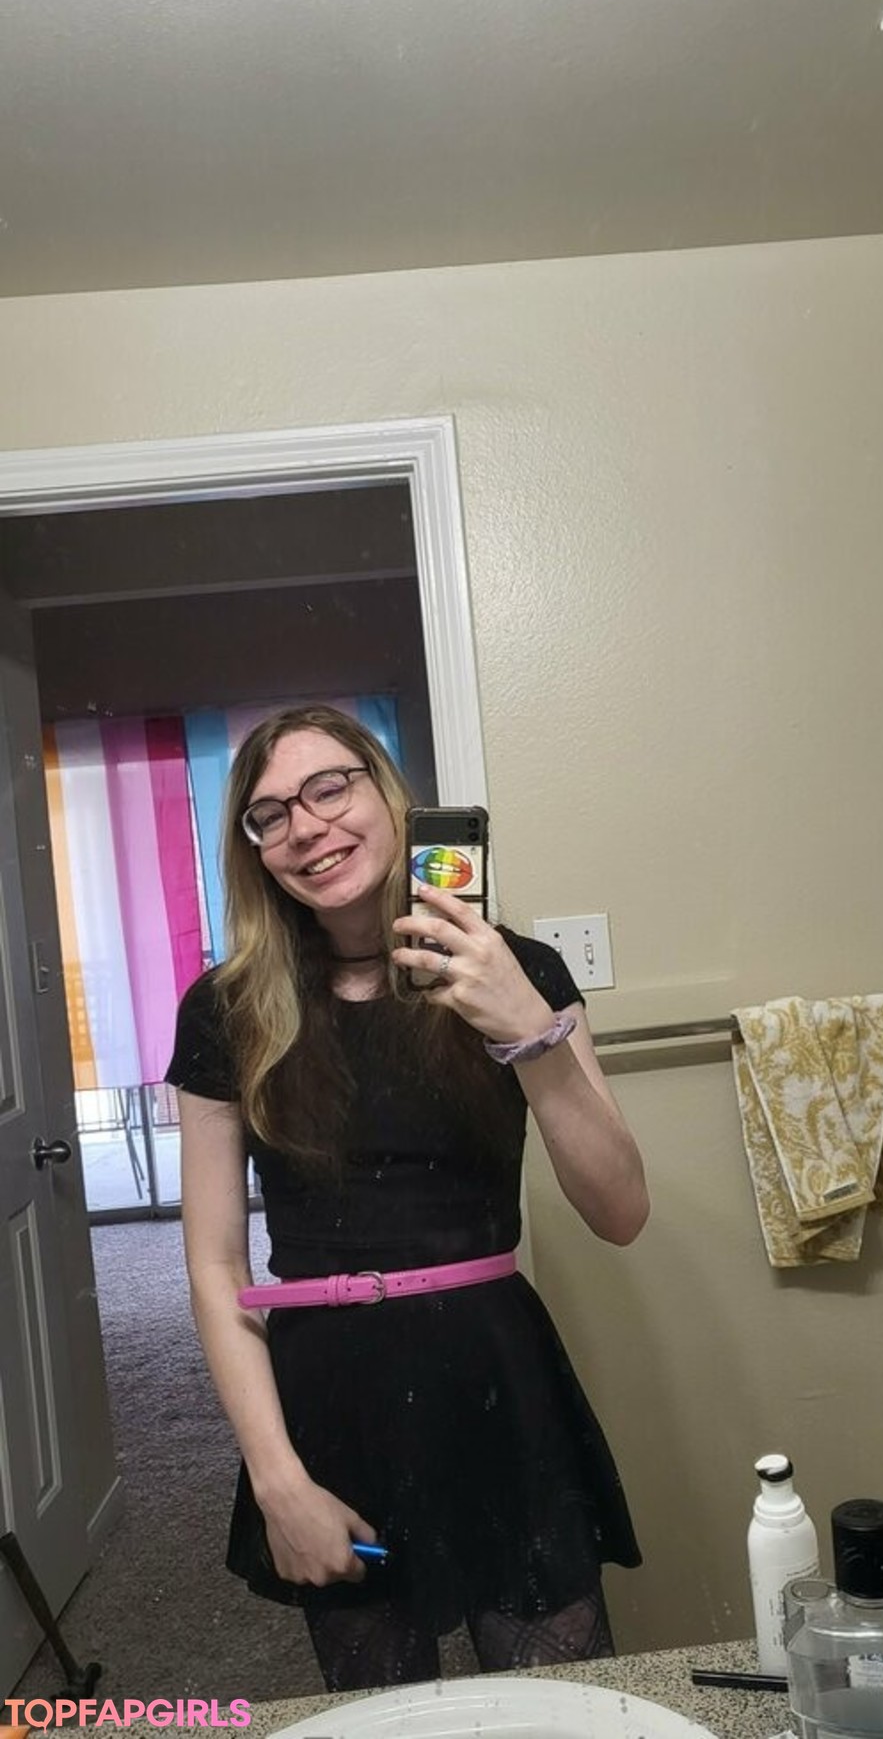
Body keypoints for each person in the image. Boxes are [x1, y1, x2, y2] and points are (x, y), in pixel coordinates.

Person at [166, 703, 649, 1691]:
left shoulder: (519, 970)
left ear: (389, 794)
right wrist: (276, 1480)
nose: (306, 826)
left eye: (328, 786)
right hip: (329, 1404)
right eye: (269, 814)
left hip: (498, 1382)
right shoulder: (225, 1009)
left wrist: (528, 1027)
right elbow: (215, 1262)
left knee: (563, 1703)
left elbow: (621, 1210)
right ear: (254, 848)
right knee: (381, 1707)